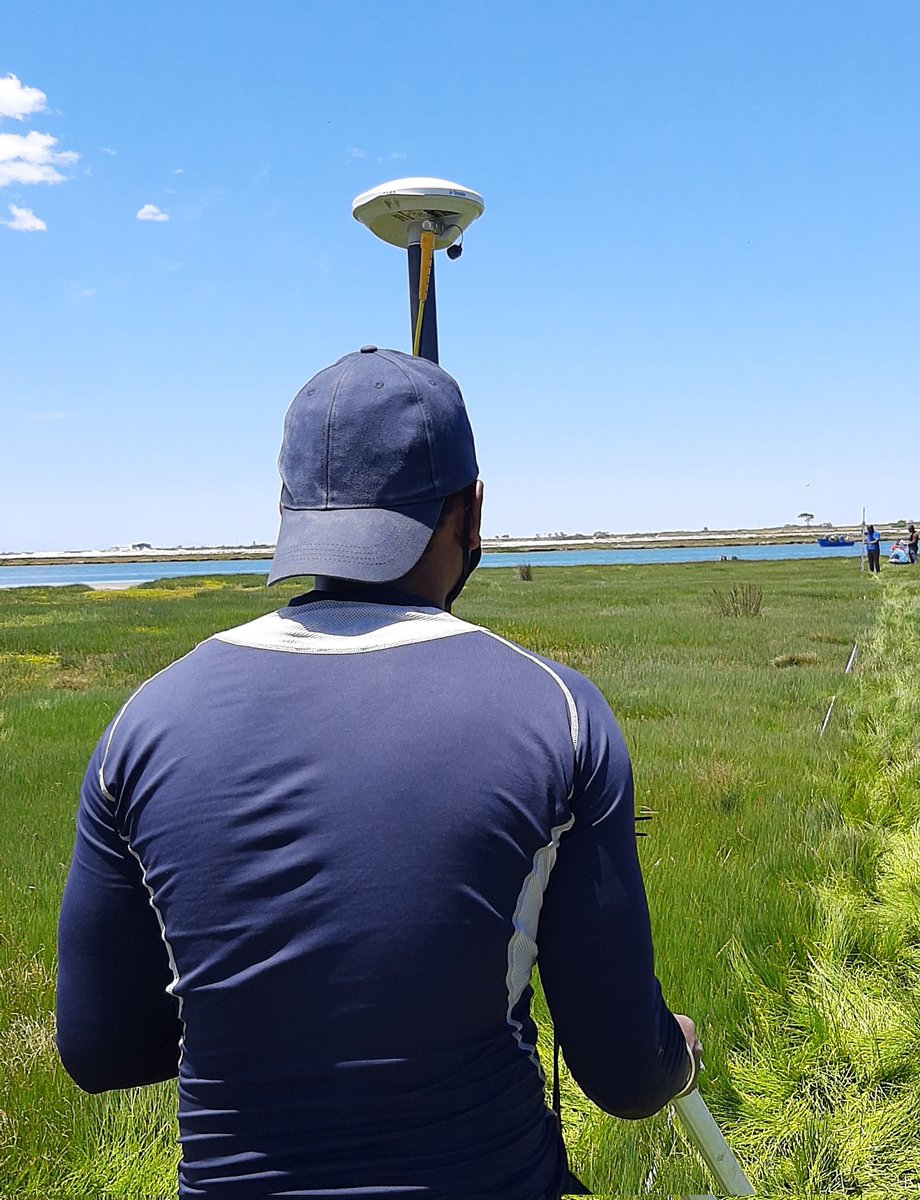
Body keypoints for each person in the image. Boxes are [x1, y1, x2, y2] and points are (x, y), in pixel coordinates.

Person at [56, 347, 702, 1200]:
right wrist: (676, 1056)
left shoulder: (142, 723)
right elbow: (622, 1072)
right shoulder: (560, 714)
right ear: (472, 512)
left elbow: (98, 1049)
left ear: (292, 515)